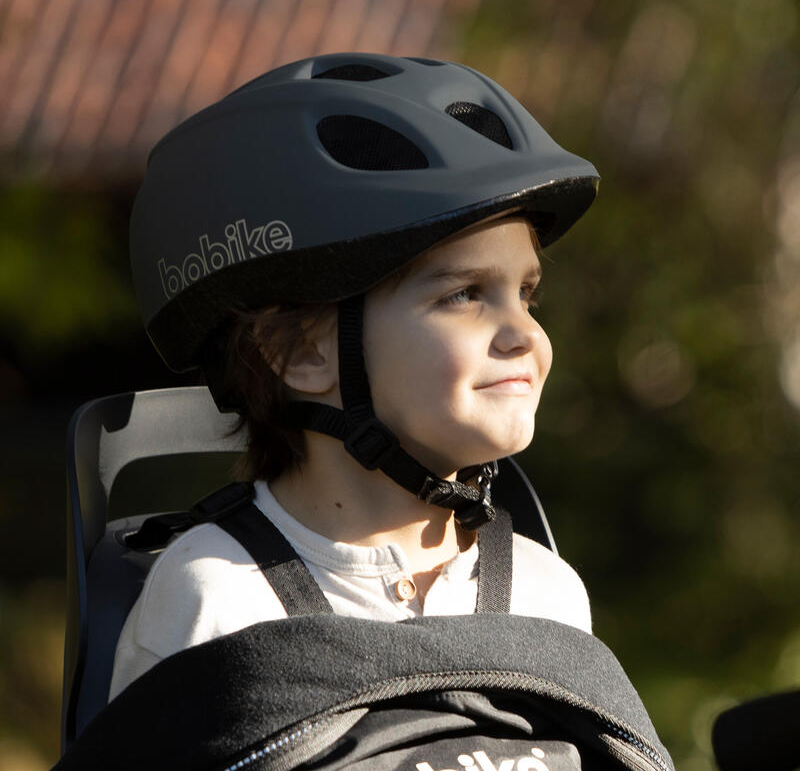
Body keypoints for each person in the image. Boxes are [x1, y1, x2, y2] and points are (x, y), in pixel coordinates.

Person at [109, 52, 600, 700]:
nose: (527, 336)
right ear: (301, 353)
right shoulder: (218, 598)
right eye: (465, 294)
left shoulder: (549, 596)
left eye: (526, 295)